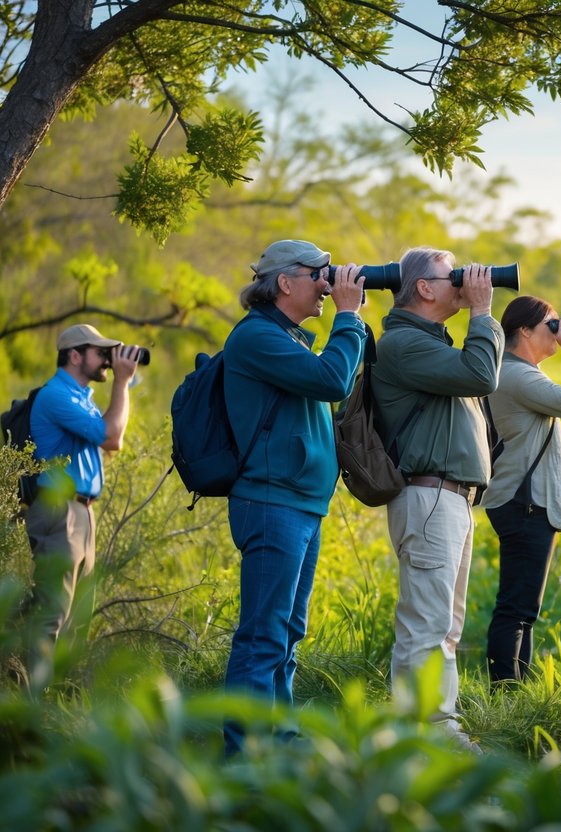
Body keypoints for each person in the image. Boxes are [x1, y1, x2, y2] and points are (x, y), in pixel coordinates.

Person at [222, 240, 366, 757]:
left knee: (286, 634)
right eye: (319, 275)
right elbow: (331, 381)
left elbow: (339, 382)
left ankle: (278, 745)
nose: (329, 286)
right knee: (263, 636)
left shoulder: (290, 339)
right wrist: (348, 316)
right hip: (271, 502)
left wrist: (353, 324)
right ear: (285, 282)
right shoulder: (258, 338)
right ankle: (243, 758)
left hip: (299, 503)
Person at [371, 248, 503, 730]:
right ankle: (435, 730)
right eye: (453, 277)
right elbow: (482, 375)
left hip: (447, 500)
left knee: (440, 627)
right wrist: (484, 311)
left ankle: (415, 728)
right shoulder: (404, 343)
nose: (464, 283)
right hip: (429, 498)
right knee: (428, 626)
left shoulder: (430, 342)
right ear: (424, 288)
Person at [481, 297, 561, 683]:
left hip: (525, 502)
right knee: (516, 609)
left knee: (523, 610)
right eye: (552, 324)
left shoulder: (516, 372)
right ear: (525, 331)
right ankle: (505, 693)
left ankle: (518, 692)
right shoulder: (518, 375)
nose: (559, 330)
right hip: (523, 502)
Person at [26, 323, 143, 651]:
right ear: (75, 356)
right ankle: (33, 698)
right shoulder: (56, 395)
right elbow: (112, 437)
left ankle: (60, 698)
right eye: (101, 353)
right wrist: (122, 381)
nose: (108, 360)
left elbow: (109, 440)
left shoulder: (81, 398)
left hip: (82, 513)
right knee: (52, 614)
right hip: (58, 511)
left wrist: (122, 380)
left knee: (77, 620)